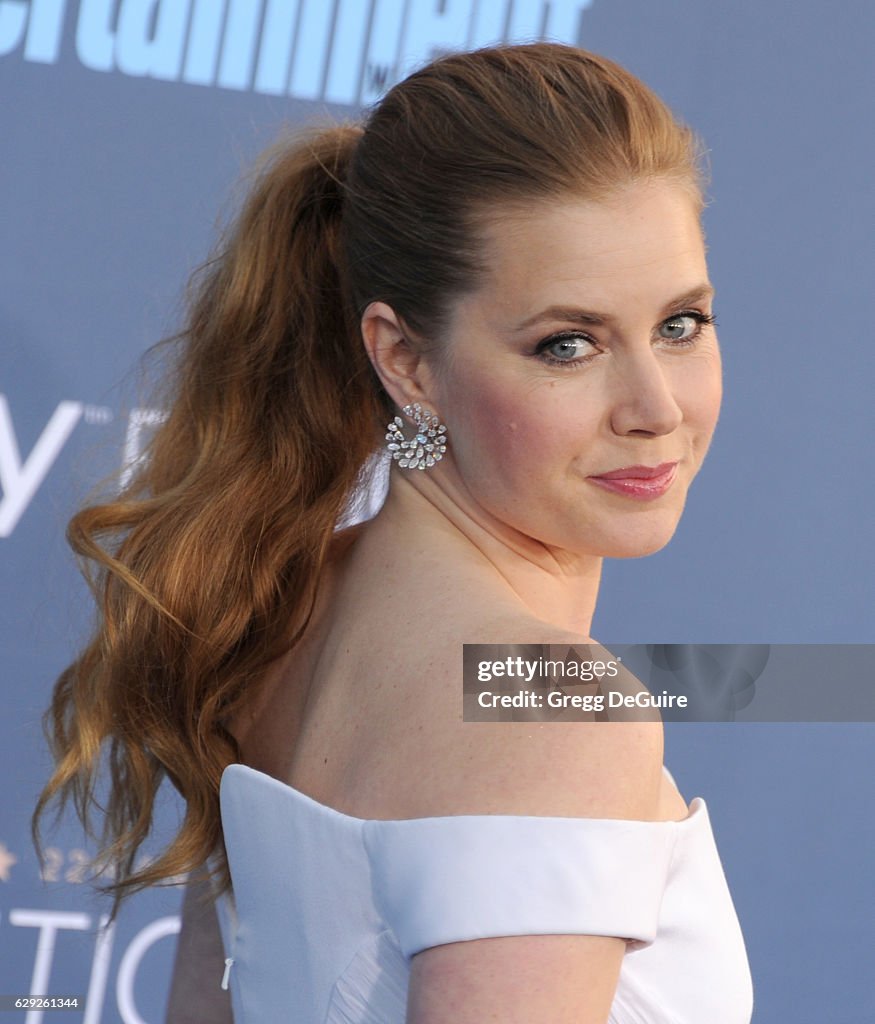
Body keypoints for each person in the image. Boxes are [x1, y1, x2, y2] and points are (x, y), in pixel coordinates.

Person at [33, 42, 753, 1024]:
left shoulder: (279, 605)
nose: (653, 405)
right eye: (566, 344)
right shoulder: (552, 711)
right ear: (406, 360)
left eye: (679, 323)